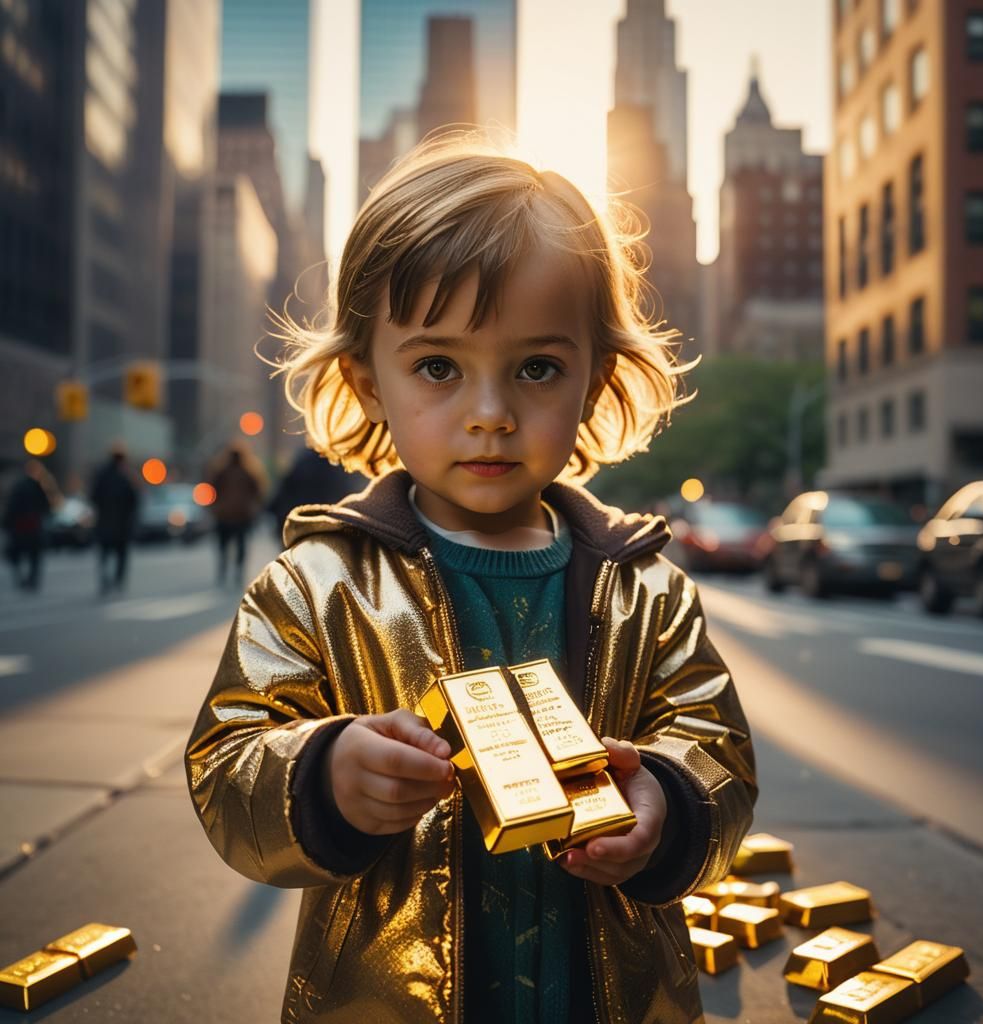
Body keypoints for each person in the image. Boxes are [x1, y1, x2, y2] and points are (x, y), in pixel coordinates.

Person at [185, 132, 757, 1024]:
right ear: (367, 380)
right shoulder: (312, 586)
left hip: (608, 990)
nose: (490, 415)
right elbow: (226, 770)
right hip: (386, 995)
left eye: (536, 367)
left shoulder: (648, 589)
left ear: (594, 380)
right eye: (439, 367)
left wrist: (667, 803)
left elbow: (714, 750)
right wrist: (323, 776)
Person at [267, 445, 365, 539]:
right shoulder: (340, 468)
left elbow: (282, 494)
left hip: (297, 527)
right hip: (327, 531)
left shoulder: (303, 460)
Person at [208, 441, 267, 585]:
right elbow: (258, 492)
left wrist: (215, 507)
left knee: (224, 546)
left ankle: (224, 571)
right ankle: (238, 573)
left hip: (224, 515)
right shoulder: (249, 472)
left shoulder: (221, 471)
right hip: (242, 515)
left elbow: (212, 491)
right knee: (241, 545)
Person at [90, 446, 139, 594]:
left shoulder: (102, 475)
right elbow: (133, 500)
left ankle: (105, 578)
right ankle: (118, 580)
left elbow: (93, 496)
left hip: (105, 522)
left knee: (105, 553)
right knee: (121, 554)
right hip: (121, 524)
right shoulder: (125, 476)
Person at [2, 459, 55, 590]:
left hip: (20, 526)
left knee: (18, 554)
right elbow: (46, 506)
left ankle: (22, 578)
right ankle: (32, 580)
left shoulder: (19, 486)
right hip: (32, 526)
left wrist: (7, 523)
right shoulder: (38, 486)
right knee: (34, 555)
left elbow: (11, 507)